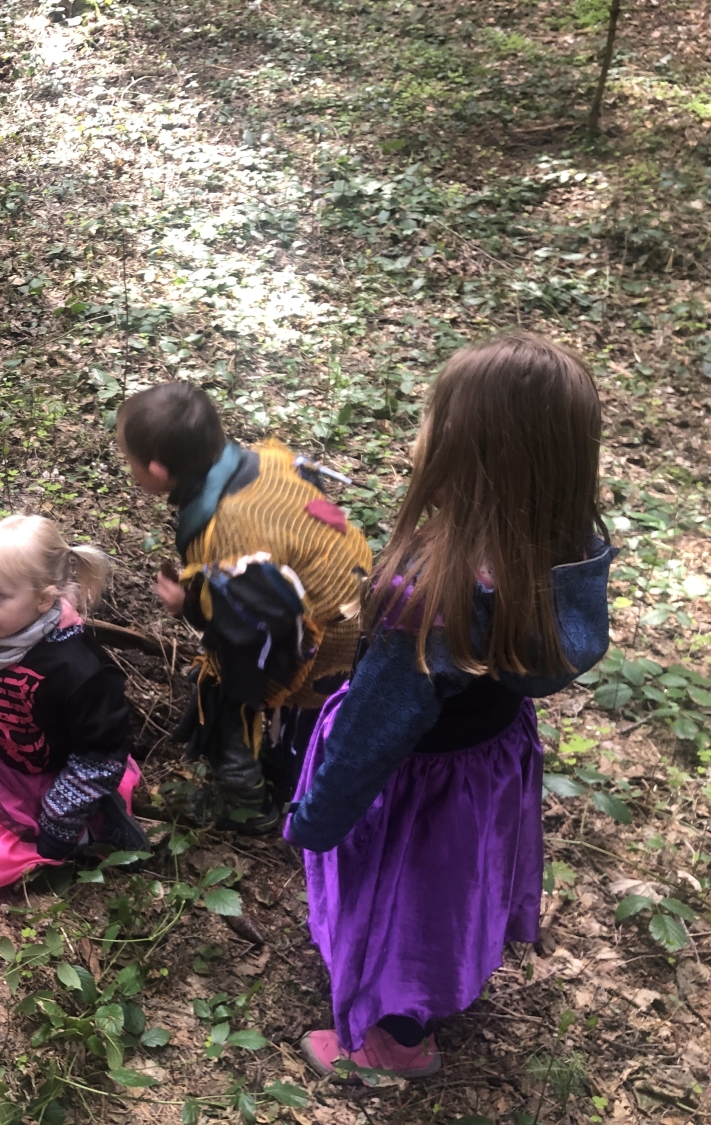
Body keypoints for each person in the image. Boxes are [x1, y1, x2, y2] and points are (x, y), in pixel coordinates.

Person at [285, 332, 614, 1081]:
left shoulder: (432, 596)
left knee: (404, 899)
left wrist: (317, 818)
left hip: (418, 788)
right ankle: (445, 974)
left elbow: (372, 735)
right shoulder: (561, 551)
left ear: (471, 453)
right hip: (486, 771)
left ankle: (395, 1040)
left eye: (434, 415)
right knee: (450, 888)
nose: (420, 428)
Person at [116, 383, 372, 833]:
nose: (130, 470)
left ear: (156, 470)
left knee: (224, 700)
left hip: (325, 636)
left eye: (130, 462)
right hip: (359, 596)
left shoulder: (225, 532)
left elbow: (248, 625)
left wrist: (188, 605)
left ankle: (250, 807)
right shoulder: (264, 460)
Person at [0, 515, 149, 889]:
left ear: (43, 598)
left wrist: (59, 818)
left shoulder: (78, 669)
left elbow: (100, 754)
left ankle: (92, 824)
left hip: (48, 776)